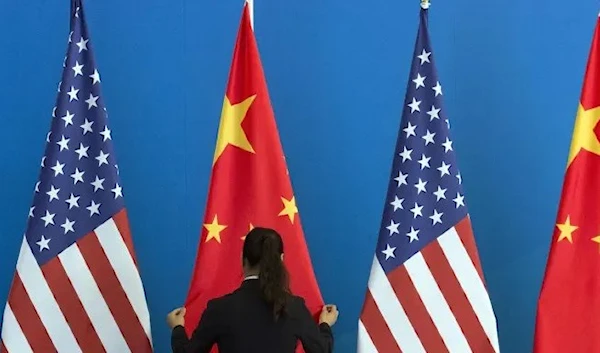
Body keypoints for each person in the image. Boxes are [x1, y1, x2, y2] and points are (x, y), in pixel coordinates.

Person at [167, 227, 339, 353]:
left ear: (243, 259)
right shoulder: (294, 307)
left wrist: (177, 328)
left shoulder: (219, 308)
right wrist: (324, 324)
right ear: (281, 260)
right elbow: (322, 351)